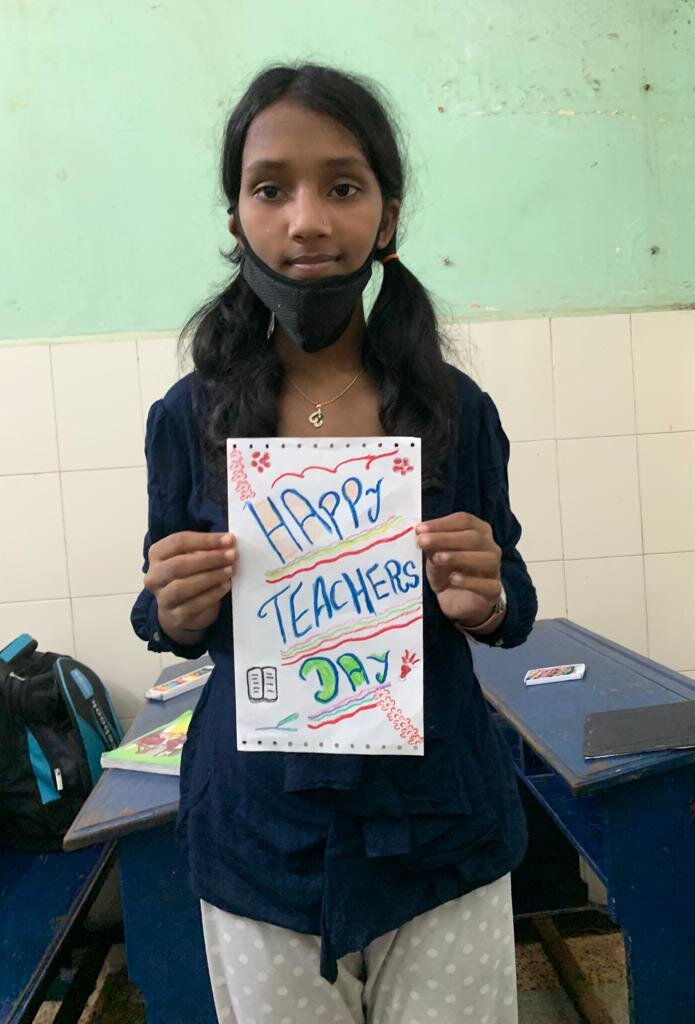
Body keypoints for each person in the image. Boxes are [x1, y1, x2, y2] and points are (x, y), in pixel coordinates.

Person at [131, 62, 537, 1024]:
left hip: (436, 831)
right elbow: (161, 608)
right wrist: (173, 608)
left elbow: (510, 595)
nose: (307, 221)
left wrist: (488, 598)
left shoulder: (456, 411)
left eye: (343, 187)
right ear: (237, 220)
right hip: (261, 836)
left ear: (387, 217)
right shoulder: (187, 418)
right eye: (271, 188)